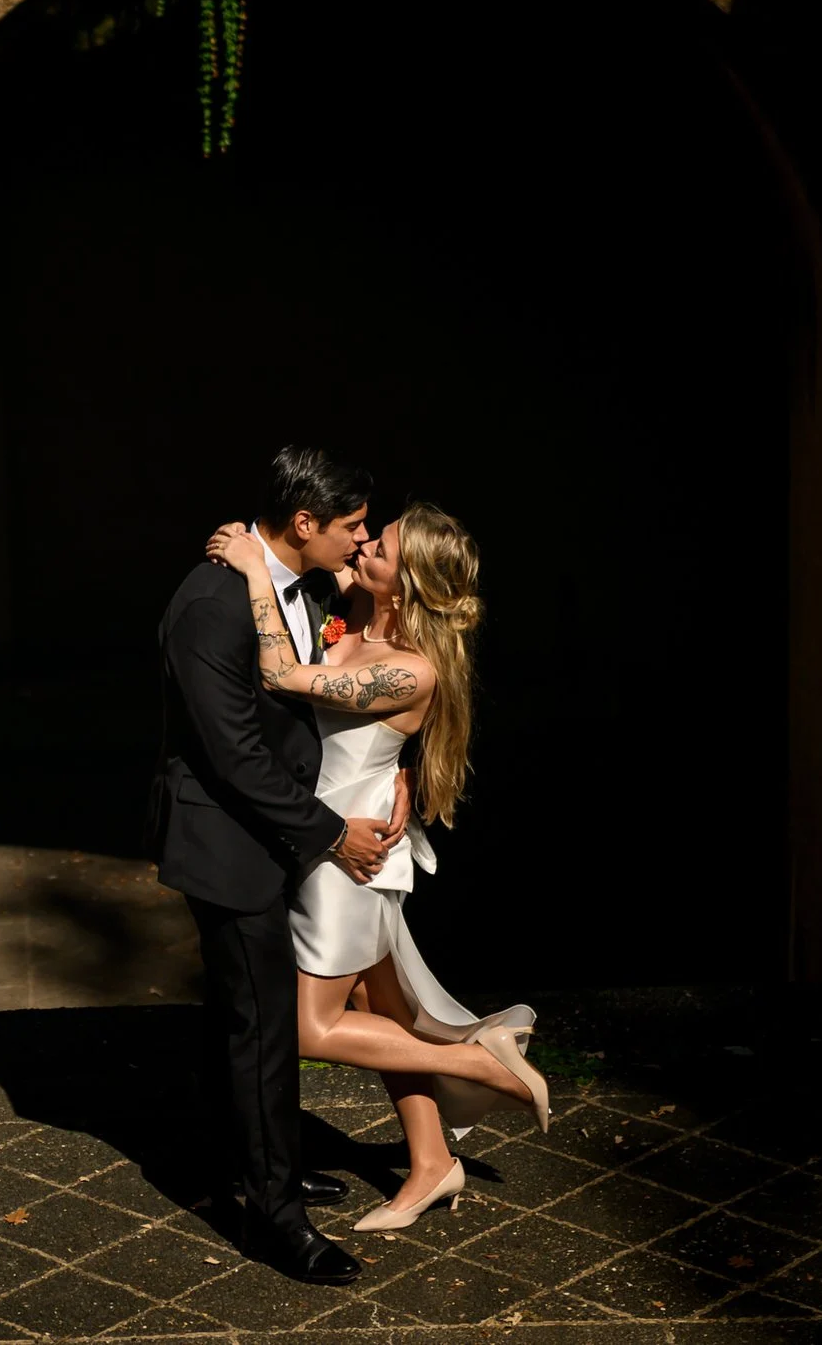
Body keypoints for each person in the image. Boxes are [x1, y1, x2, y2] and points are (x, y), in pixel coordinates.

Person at [206, 503, 549, 1233]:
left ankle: (484, 1066)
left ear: (409, 583)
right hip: (318, 843)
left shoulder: (409, 669)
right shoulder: (347, 621)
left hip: (348, 862)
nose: (363, 543)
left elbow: (277, 672)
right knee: (381, 1012)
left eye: (381, 547)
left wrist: (251, 570)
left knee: (308, 1028)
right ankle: (432, 1162)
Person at [152, 446, 398, 1286]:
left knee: (254, 1021)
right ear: (304, 523)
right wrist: (334, 834)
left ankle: (266, 1167)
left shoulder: (314, 588)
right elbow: (237, 757)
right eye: (352, 525)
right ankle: (275, 1218)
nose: (361, 540)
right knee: (261, 1029)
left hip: (275, 836)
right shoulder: (208, 604)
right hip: (230, 844)